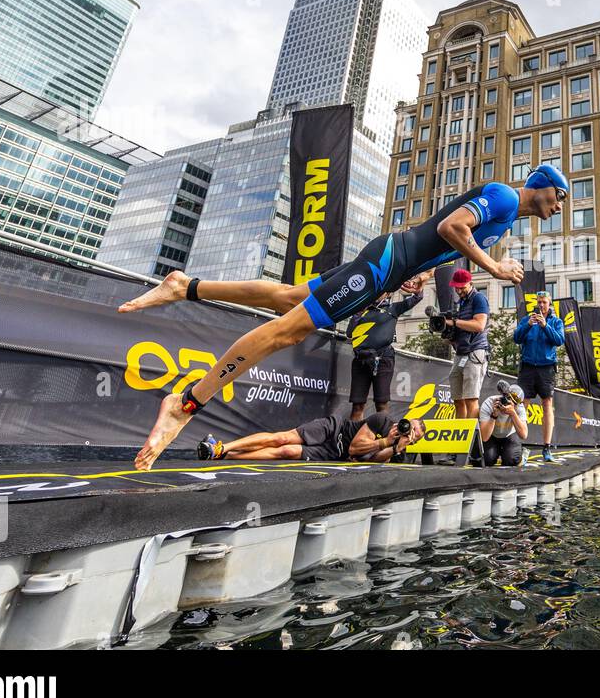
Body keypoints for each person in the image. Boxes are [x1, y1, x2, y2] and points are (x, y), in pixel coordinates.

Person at [123, 164, 569, 471]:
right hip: (380, 266)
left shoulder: (506, 221)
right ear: (542, 185)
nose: (561, 205)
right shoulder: (507, 197)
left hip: (390, 268)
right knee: (286, 331)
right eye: (560, 196)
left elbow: (443, 243)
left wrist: (416, 274)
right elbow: (451, 227)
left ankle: (185, 286)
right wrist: (493, 267)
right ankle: (186, 404)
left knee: (285, 298)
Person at [196, 412, 425, 463]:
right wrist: (386, 440)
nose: (407, 431)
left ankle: (226, 455)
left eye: (412, 434)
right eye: (410, 426)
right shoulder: (382, 421)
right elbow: (357, 448)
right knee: (282, 439)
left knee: (285, 453)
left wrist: (396, 448)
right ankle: (221, 446)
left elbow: (370, 461)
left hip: (334, 454)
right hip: (333, 429)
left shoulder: (397, 447)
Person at [345, 285, 425, 420]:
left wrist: (416, 287)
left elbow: (418, 297)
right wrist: (358, 313)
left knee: (381, 403)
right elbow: (349, 333)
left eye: (380, 292)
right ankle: (352, 437)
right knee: (357, 405)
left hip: (383, 360)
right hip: (361, 360)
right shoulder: (361, 310)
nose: (376, 294)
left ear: (387, 294)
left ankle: (382, 436)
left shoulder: (393, 308)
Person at [512, 290, 565, 462]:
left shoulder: (556, 321)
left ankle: (547, 447)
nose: (541, 305)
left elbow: (559, 340)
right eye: (539, 302)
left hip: (546, 368)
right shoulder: (527, 319)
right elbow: (516, 338)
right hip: (527, 367)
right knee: (522, 405)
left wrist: (545, 326)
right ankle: (517, 444)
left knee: (547, 404)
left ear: (549, 304)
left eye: (544, 302)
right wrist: (528, 324)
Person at [442, 267, 491, 428]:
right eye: (456, 286)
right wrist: (449, 335)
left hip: (475, 352)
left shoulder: (479, 298)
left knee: (471, 399)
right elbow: (462, 329)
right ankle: (459, 440)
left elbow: (479, 325)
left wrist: (454, 323)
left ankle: (470, 445)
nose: (458, 290)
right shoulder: (460, 303)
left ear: (470, 283)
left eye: (462, 286)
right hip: (461, 353)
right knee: (458, 400)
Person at [475, 381, 529, 467]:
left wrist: (513, 413)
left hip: (509, 435)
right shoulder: (489, 403)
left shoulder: (519, 408)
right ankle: (497, 452)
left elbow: (524, 435)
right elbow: (484, 437)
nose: (509, 403)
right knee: (486, 460)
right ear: (503, 396)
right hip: (492, 435)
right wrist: (494, 415)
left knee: (511, 460)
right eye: (508, 398)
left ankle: (520, 452)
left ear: (517, 405)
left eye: (514, 403)